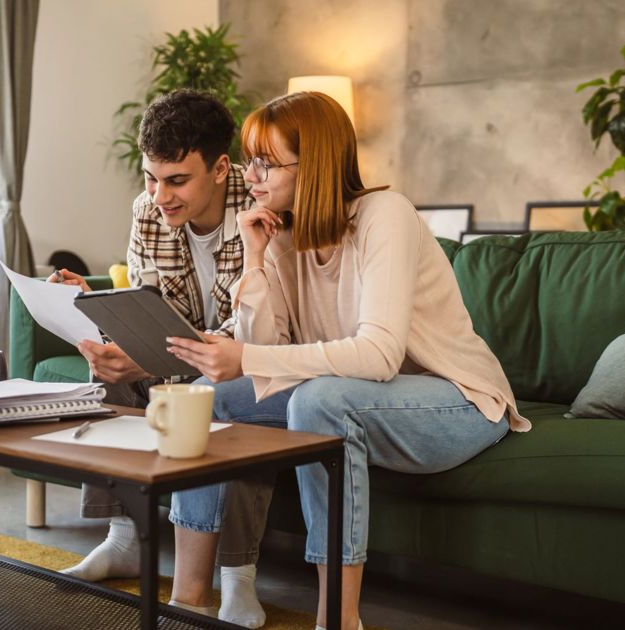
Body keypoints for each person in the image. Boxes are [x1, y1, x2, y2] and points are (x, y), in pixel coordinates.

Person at [163, 91, 532, 630]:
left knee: (319, 403)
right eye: (251, 161)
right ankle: (188, 603)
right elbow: (269, 349)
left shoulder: (386, 214)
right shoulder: (281, 232)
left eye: (267, 162)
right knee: (210, 397)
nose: (252, 175)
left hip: (458, 400)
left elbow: (380, 355)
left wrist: (248, 354)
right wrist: (257, 258)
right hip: (355, 395)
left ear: (313, 163)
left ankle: (338, 619)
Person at [50, 89, 270, 628]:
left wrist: (152, 357)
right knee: (106, 369)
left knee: (234, 400)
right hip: (183, 354)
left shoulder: (262, 209)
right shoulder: (147, 212)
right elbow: (149, 306)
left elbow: (244, 332)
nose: (159, 195)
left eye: (176, 180)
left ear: (221, 169)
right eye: (151, 177)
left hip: (247, 357)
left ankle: (237, 577)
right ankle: (125, 538)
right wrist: (100, 314)